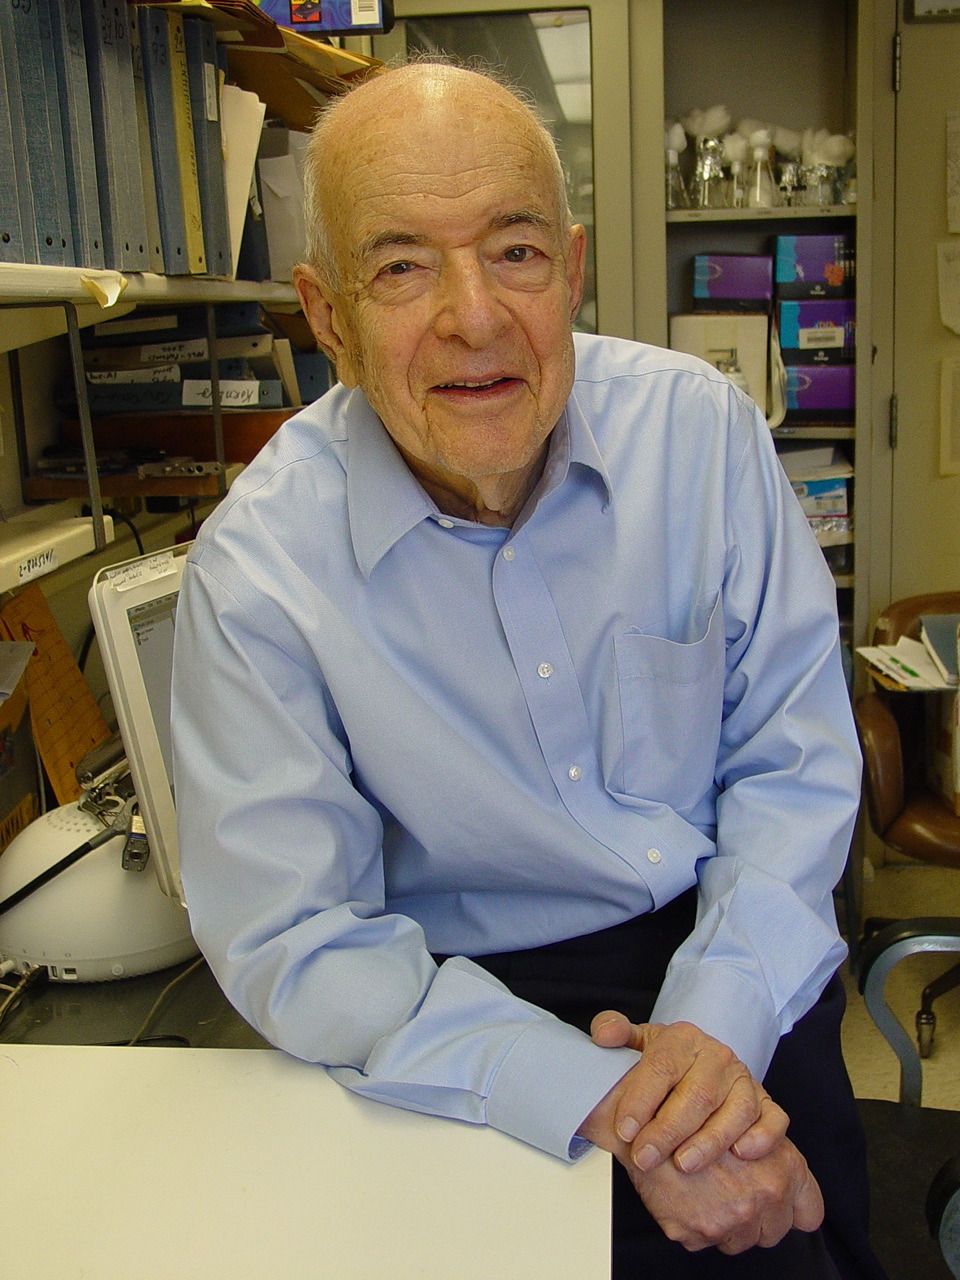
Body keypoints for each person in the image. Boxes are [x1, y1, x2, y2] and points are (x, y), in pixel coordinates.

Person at [170, 62, 886, 1279]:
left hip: (732, 945)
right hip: (464, 1014)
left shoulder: (700, 436)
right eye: (401, 266)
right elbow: (299, 934)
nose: (476, 318)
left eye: (515, 252)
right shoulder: (259, 568)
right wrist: (607, 1098)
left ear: (575, 264)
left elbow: (794, 760)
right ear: (326, 314)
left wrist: (709, 1037)